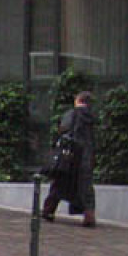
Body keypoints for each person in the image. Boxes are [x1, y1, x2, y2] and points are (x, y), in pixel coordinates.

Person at [43, 91, 97, 227]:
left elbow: (63, 131)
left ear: (78, 100)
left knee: (59, 184)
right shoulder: (92, 117)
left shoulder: (71, 114)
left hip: (70, 156)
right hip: (86, 156)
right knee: (86, 187)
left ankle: (48, 211)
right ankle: (89, 217)